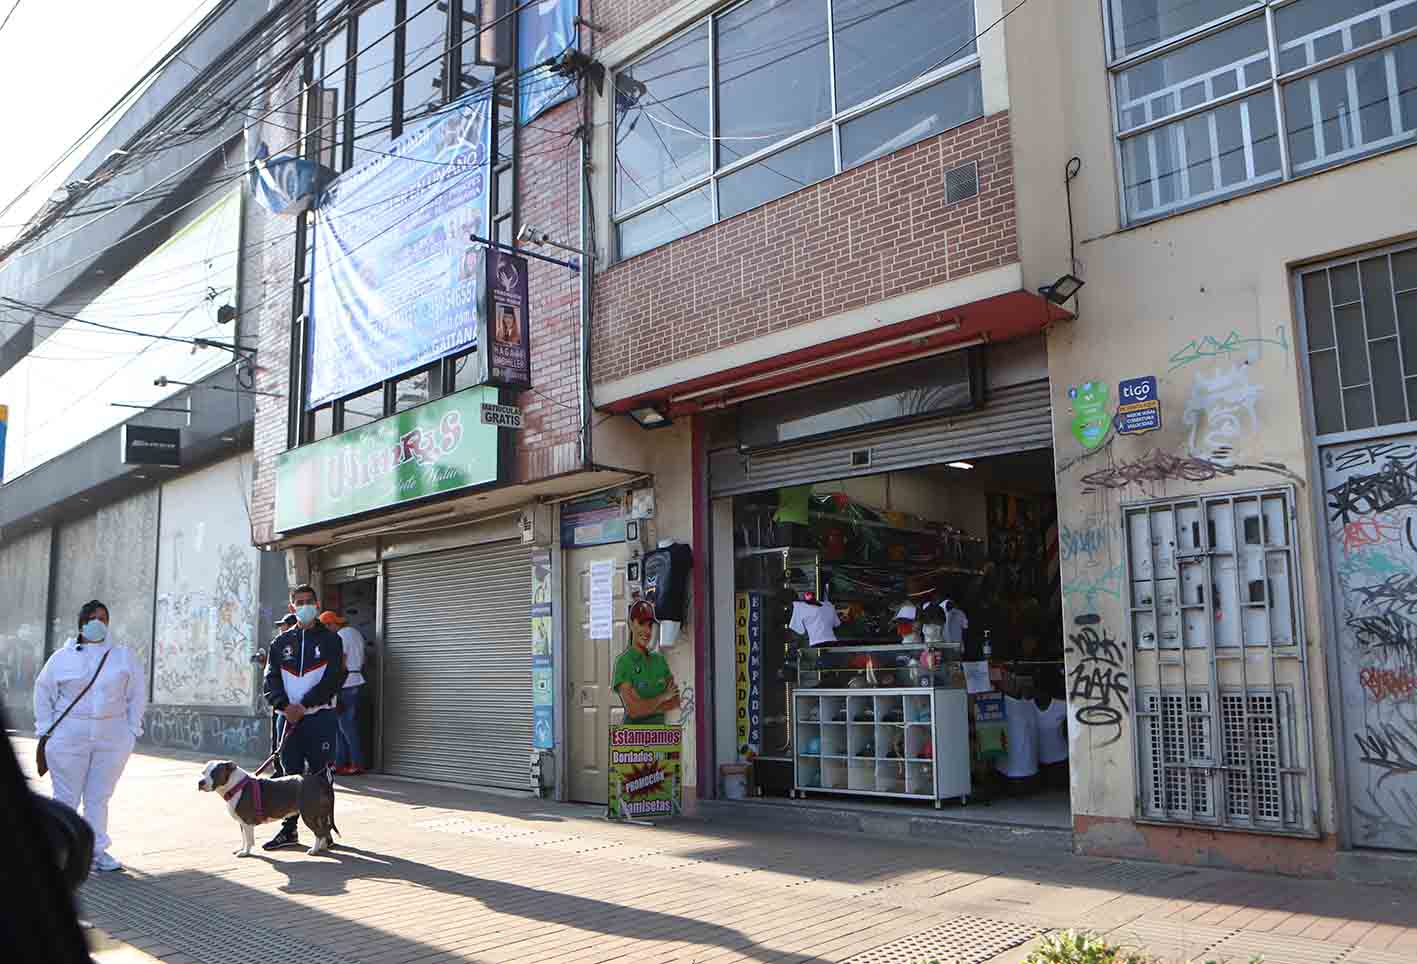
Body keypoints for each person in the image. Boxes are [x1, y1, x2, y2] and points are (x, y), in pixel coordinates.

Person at [32, 599, 146, 873]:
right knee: (66, 798)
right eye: (93, 618)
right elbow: (43, 691)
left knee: (99, 798)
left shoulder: (122, 656)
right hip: (69, 736)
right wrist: (46, 729)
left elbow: (137, 694)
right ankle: (61, 852)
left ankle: (96, 852)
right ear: (82, 623)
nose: (99, 623)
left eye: (104, 618)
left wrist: (132, 731)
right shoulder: (62, 657)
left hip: (111, 737)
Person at [262, 585, 347, 851]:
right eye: (299, 602)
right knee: (289, 777)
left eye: (310, 601)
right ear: (292, 608)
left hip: (319, 718)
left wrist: (305, 705)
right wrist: (285, 706)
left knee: (322, 776)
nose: (305, 606)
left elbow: (334, 679)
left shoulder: (332, 640)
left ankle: (325, 830)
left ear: (317, 604)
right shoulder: (280, 643)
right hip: (287, 719)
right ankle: (289, 831)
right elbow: (270, 680)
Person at [613, 600, 680, 725]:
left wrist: (644, 706)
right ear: (632, 624)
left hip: (659, 738)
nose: (646, 630)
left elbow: (675, 701)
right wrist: (662, 697)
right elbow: (634, 711)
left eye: (649, 625)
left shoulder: (660, 660)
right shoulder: (624, 663)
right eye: (641, 623)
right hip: (633, 739)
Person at [320, 610, 368, 775]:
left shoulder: (340, 636)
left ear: (331, 624)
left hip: (345, 683)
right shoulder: (356, 633)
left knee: (345, 726)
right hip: (357, 680)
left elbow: (341, 662)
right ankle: (340, 762)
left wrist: (332, 685)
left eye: (326, 626)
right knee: (344, 726)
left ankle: (356, 763)